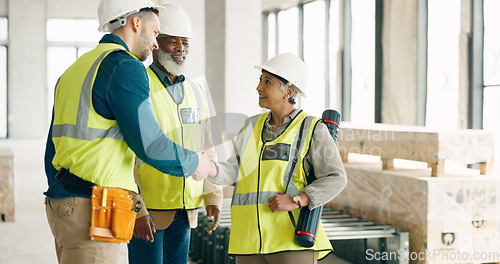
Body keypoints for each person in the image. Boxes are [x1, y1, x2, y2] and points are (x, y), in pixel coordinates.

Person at [43, 0, 216, 263]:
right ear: (136, 23)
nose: (155, 43)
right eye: (156, 33)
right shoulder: (125, 66)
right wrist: (196, 163)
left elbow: (51, 150)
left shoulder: (76, 69)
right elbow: (150, 146)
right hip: (94, 206)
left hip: (64, 203)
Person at [207, 53, 347, 264]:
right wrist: (209, 168)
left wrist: (297, 200)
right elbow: (235, 170)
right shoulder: (251, 126)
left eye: (267, 82)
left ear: (288, 91)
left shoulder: (311, 128)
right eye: (260, 80)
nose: (259, 87)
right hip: (247, 240)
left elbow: (336, 177)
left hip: (289, 239)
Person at [127, 3, 223, 264]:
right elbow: (125, 156)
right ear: (156, 44)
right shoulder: (138, 85)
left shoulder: (195, 90)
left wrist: (212, 194)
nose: (181, 49)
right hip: (149, 209)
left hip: (186, 208)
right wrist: (137, 209)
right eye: (173, 42)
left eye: (186, 43)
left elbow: (207, 147)